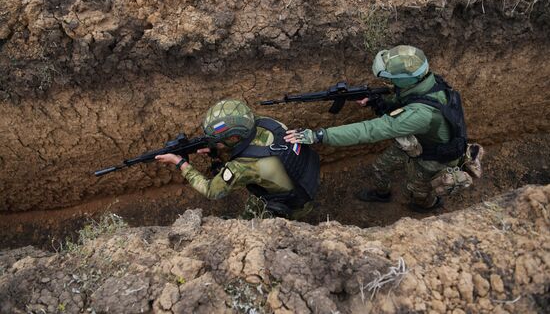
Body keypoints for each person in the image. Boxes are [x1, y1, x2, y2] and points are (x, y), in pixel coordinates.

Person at [284, 45, 482, 212]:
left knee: (418, 190)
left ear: (406, 80)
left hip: (432, 160)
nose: (387, 81)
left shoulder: (420, 114)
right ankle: (382, 194)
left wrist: (320, 135)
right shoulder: (428, 80)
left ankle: (427, 205)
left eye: (390, 78)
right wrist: (378, 101)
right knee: (380, 167)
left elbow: (370, 130)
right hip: (417, 142)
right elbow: (405, 98)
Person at [155, 99, 320, 219]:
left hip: (293, 204)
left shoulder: (240, 168)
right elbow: (254, 147)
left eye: (218, 141)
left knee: (254, 228)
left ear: (233, 138)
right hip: (305, 177)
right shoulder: (270, 124)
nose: (215, 143)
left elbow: (211, 191)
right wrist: (219, 148)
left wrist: (180, 163)